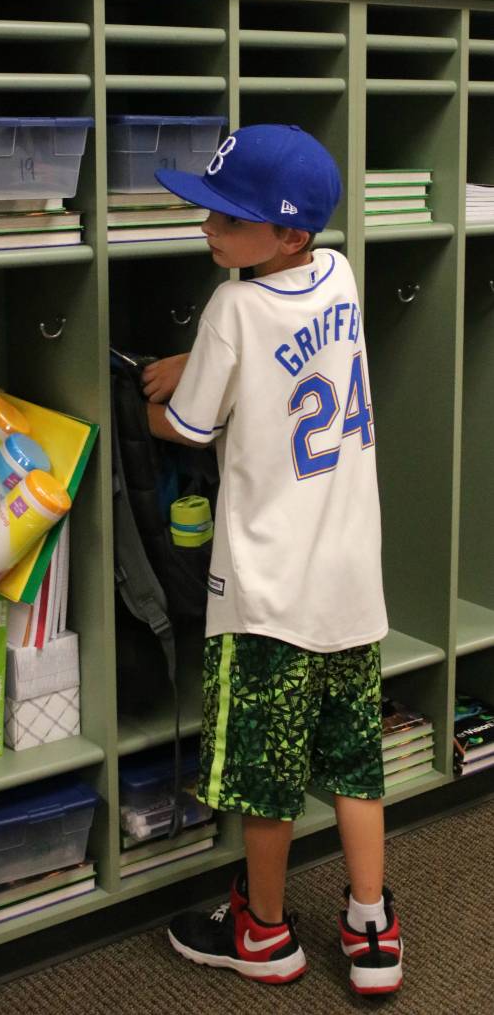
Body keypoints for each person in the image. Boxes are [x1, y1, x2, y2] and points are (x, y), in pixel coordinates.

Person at [142, 124, 403, 995]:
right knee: (357, 765)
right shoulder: (341, 274)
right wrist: (205, 358)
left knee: (266, 782)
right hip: (351, 589)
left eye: (228, 217)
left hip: (265, 601)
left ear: (285, 234)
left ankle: (262, 931)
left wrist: (164, 390)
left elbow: (185, 424)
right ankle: (372, 928)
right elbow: (286, 356)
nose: (208, 227)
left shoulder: (230, 310)